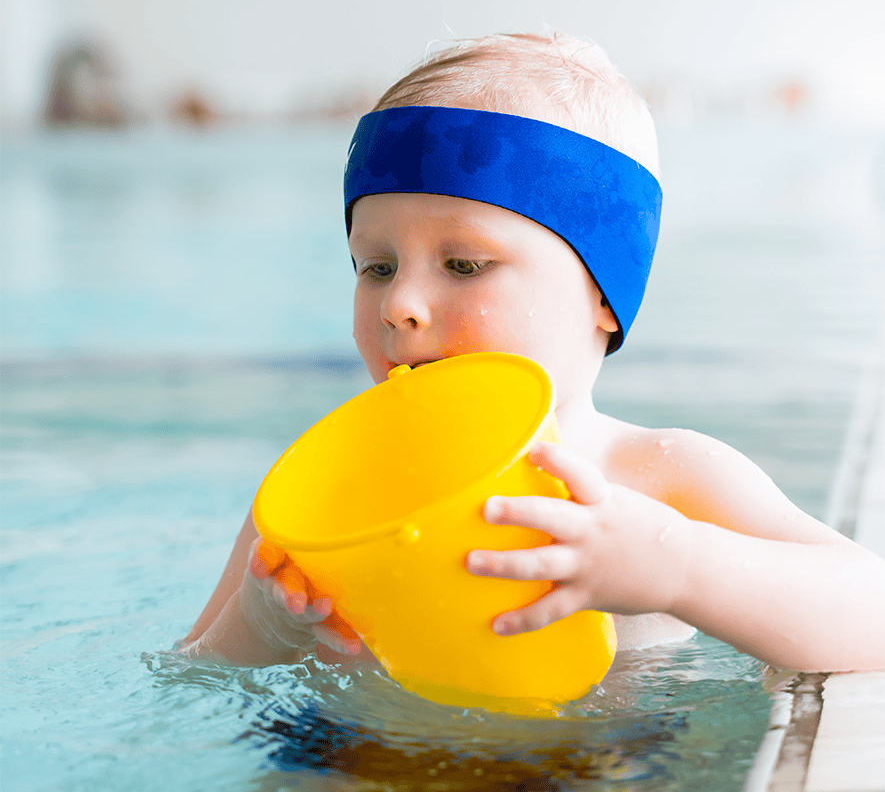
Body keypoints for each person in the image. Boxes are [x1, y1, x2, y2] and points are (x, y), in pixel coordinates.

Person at [179, 33, 885, 675]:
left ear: (603, 296)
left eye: (462, 264)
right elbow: (189, 671)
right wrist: (262, 626)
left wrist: (677, 567)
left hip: (595, 791)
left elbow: (870, 615)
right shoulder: (318, 489)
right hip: (352, 790)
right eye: (376, 267)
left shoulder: (660, 480)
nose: (399, 304)